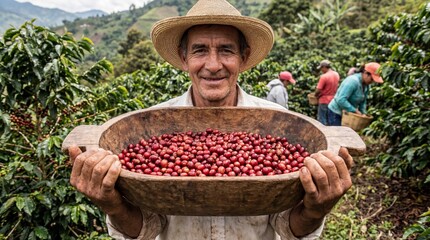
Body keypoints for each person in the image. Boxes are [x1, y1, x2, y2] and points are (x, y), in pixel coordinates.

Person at [68, 0, 354, 239]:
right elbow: (147, 228)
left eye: (226, 50)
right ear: (183, 58)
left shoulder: (278, 125)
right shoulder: (154, 126)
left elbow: (286, 226)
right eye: (200, 50)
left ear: (244, 57)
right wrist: (113, 206)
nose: (213, 65)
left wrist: (314, 211)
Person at [315, 60, 340, 125]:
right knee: (330, 120)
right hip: (333, 100)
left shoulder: (324, 77)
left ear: (324, 67)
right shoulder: (336, 74)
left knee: (322, 120)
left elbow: (318, 90)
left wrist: (315, 95)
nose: (321, 70)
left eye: (321, 68)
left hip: (324, 100)